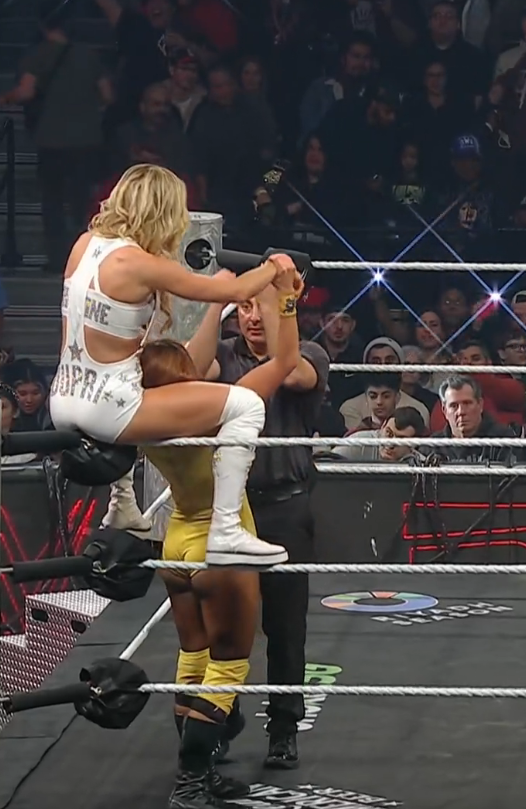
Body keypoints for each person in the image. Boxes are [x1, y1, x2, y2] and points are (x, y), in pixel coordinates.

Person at [50, 163, 292, 567]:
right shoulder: (139, 263)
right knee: (246, 405)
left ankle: (122, 504)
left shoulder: (84, 245)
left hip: (63, 397)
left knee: (143, 369)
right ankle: (226, 529)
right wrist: (275, 267)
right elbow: (235, 290)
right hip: (109, 408)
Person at [137, 272, 302, 809]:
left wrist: (216, 305)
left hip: (176, 541)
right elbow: (283, 361)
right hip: (219, 546)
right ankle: (191, 782)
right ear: (187, 380)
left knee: (193, 657)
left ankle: (199, 774)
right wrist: (286, 299)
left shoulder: (139, 418)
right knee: (228, 666)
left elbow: (182, 363)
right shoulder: (216, 411)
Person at [210, 274, 333, 771]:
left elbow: (295, 374)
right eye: (243, 307)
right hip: (230, 507)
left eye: (261, 306)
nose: (253, 316)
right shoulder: (221, 354)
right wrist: (214, 300)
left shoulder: (309, 354)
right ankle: (220, 720)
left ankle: (284, 730)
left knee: (285, 627)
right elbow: (190, 368)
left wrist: (282, 305)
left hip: (285, 506)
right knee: (224, 623)